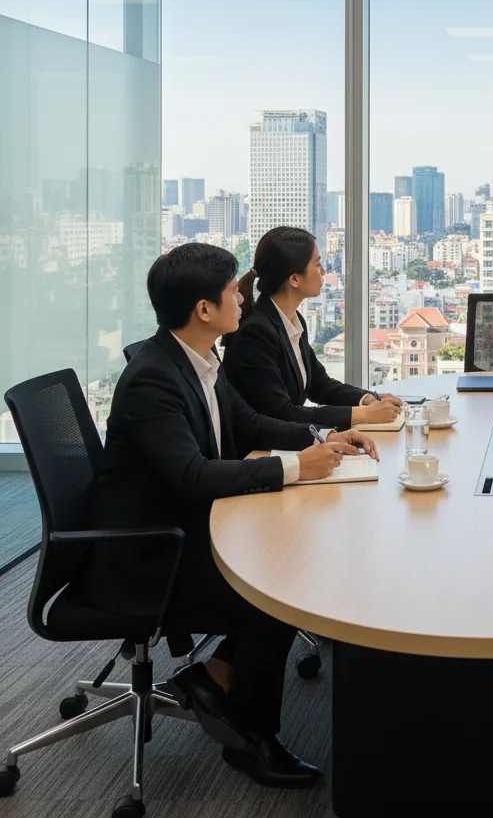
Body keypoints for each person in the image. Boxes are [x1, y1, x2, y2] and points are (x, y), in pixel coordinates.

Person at [82, 242, 379, 788]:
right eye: (231, 292)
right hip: (150, 555)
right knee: (278, 592)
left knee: (291, 567)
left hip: (189, 528)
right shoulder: (154, 378)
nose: (242, 298)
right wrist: (296, 468)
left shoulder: (200, 358)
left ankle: (212, 678)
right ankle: (252, 740)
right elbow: (192, 475)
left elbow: (250, 422)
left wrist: (328, 435)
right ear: (203, 310)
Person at [222, 226, 403, 429]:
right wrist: (363, 415)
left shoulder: (292, 319)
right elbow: (282, 413)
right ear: (294, 279)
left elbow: (320, 385)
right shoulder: (255, 333)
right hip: (258, 452)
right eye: (317, 265)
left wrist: (367, 399)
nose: (323, 271)